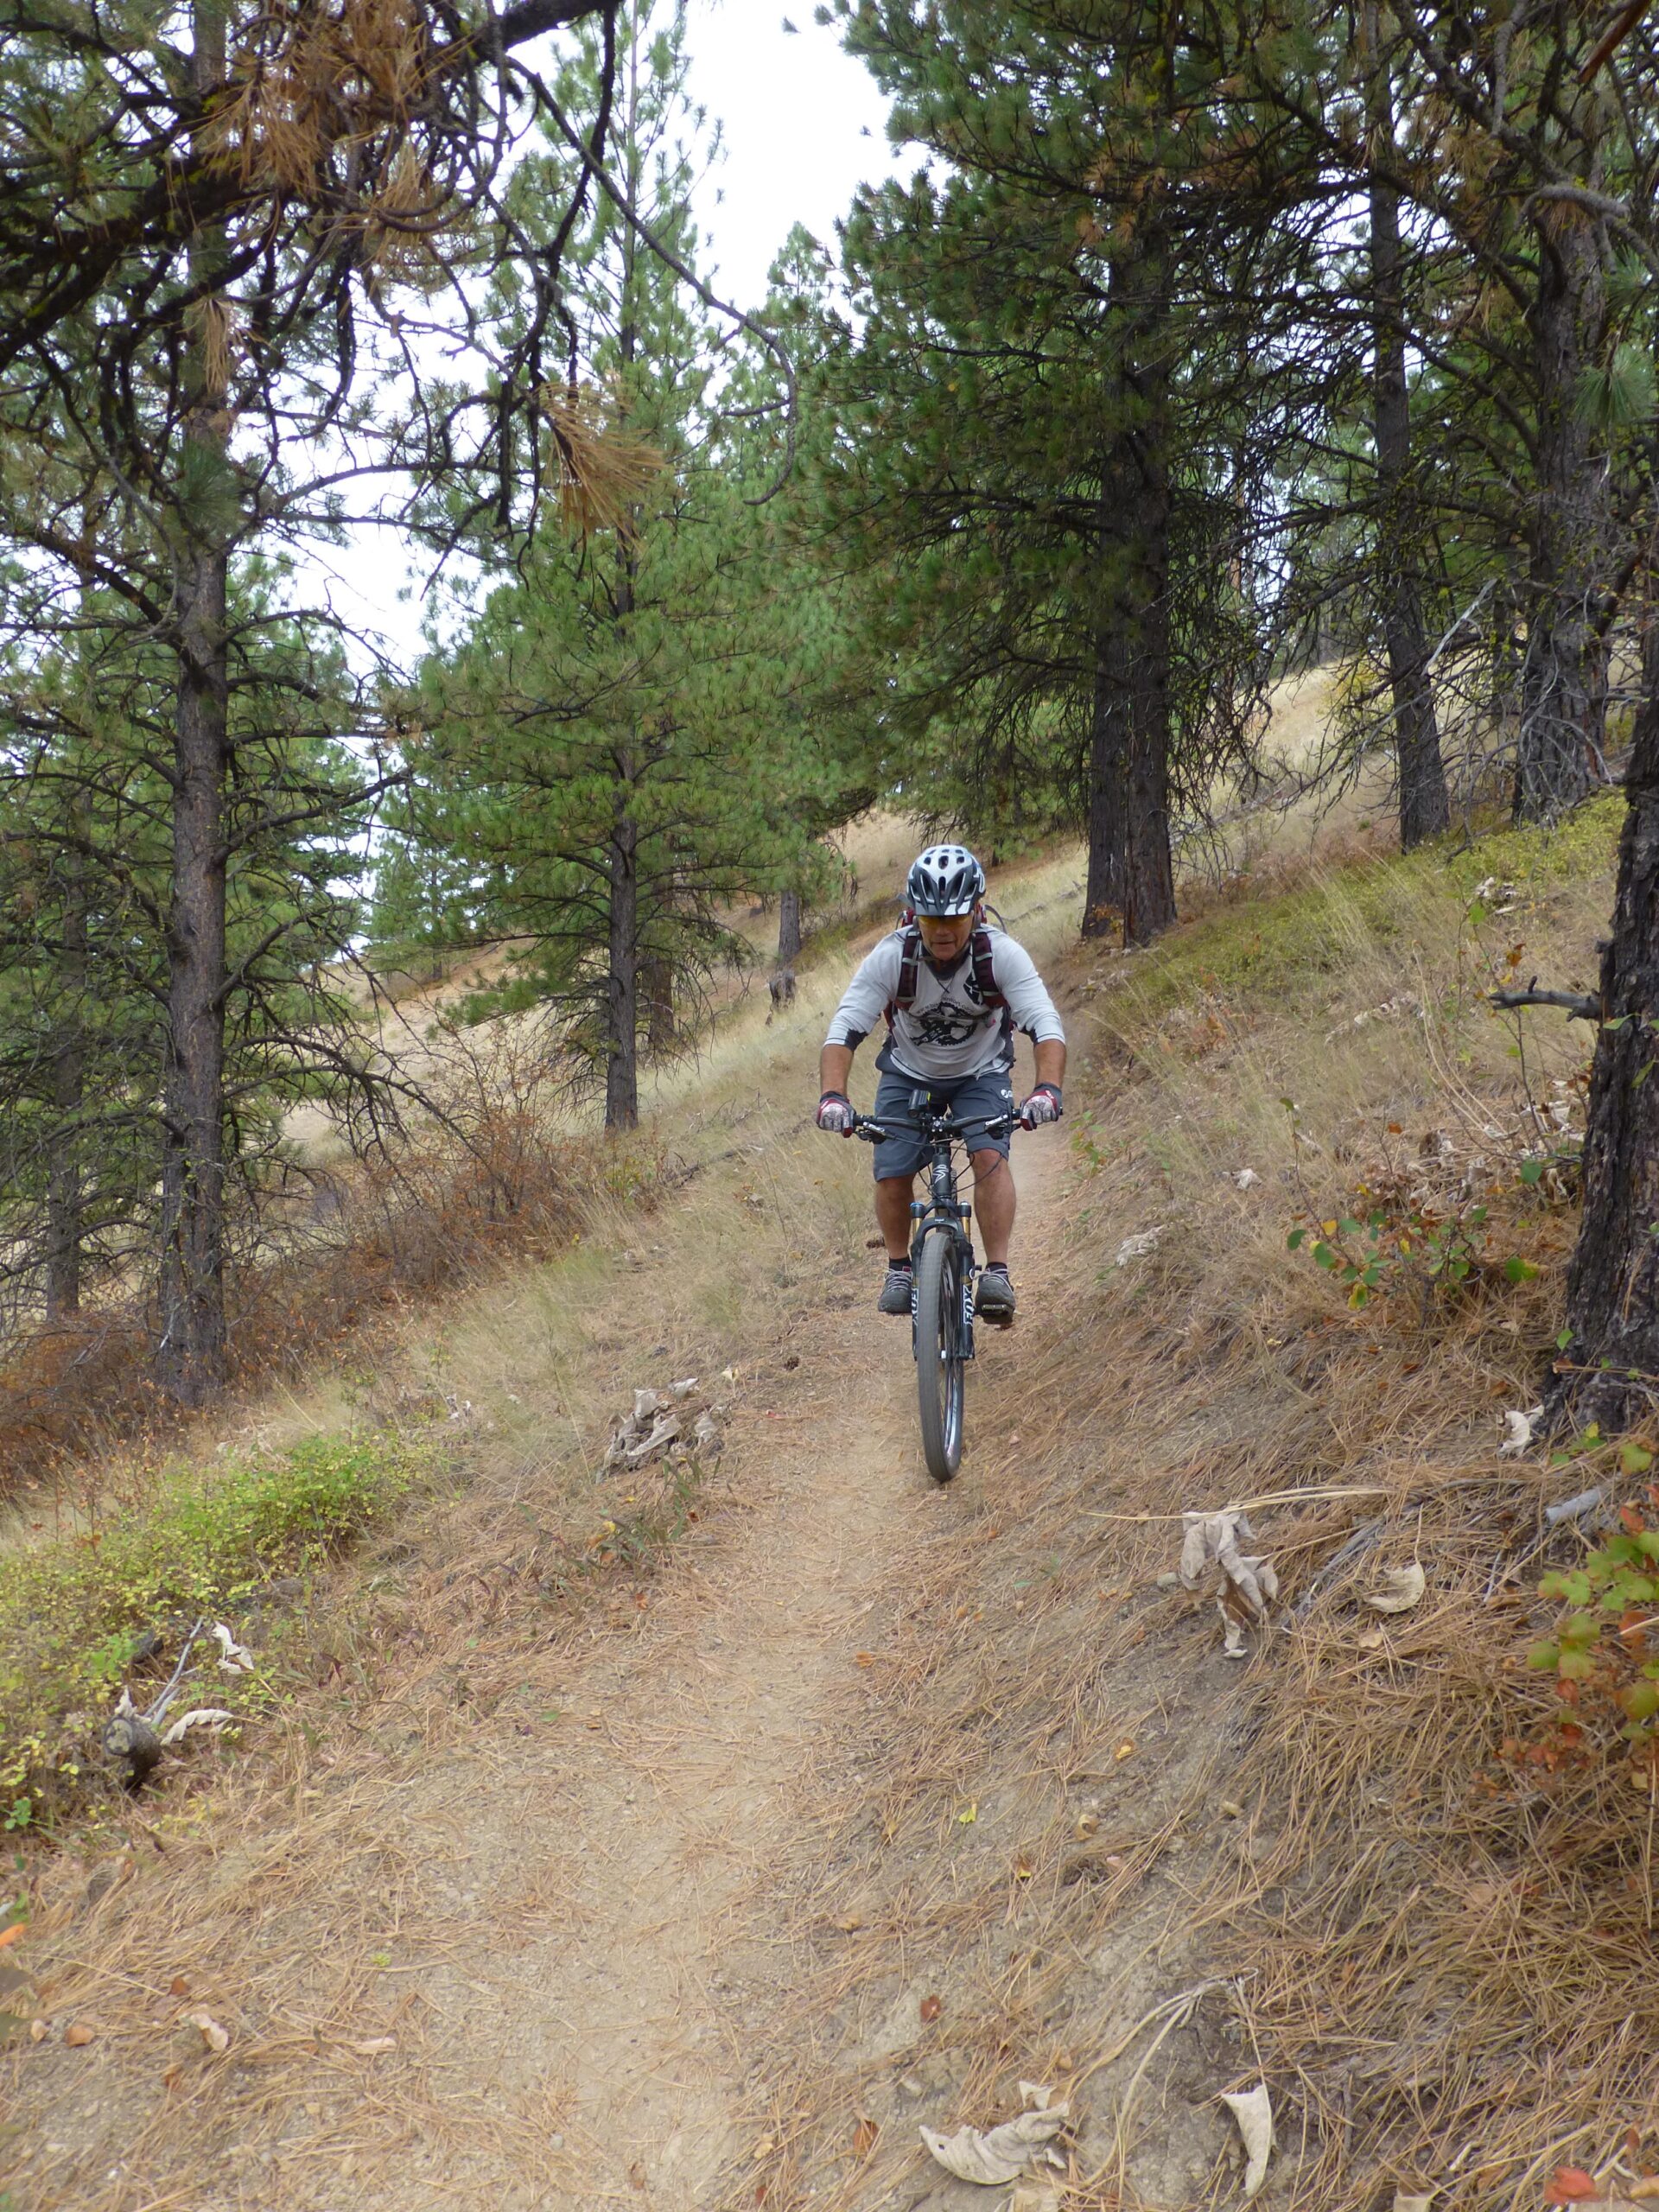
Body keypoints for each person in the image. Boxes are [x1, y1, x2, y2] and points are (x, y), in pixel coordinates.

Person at [817, 842, 1066, 1322]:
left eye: (953, 919)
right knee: (892, 1168)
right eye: (931, 920)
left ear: (976, 910)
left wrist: (1046, 1090)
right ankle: (898, 1268)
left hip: (982, 1071)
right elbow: (845, 1029)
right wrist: (833, 1097)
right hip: (910, 1072)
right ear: (914, 916)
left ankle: (996, 1271)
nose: (943, 931)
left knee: (989, 1155)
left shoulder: (1001, 956)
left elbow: (1045, 1025)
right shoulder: (893, 957)